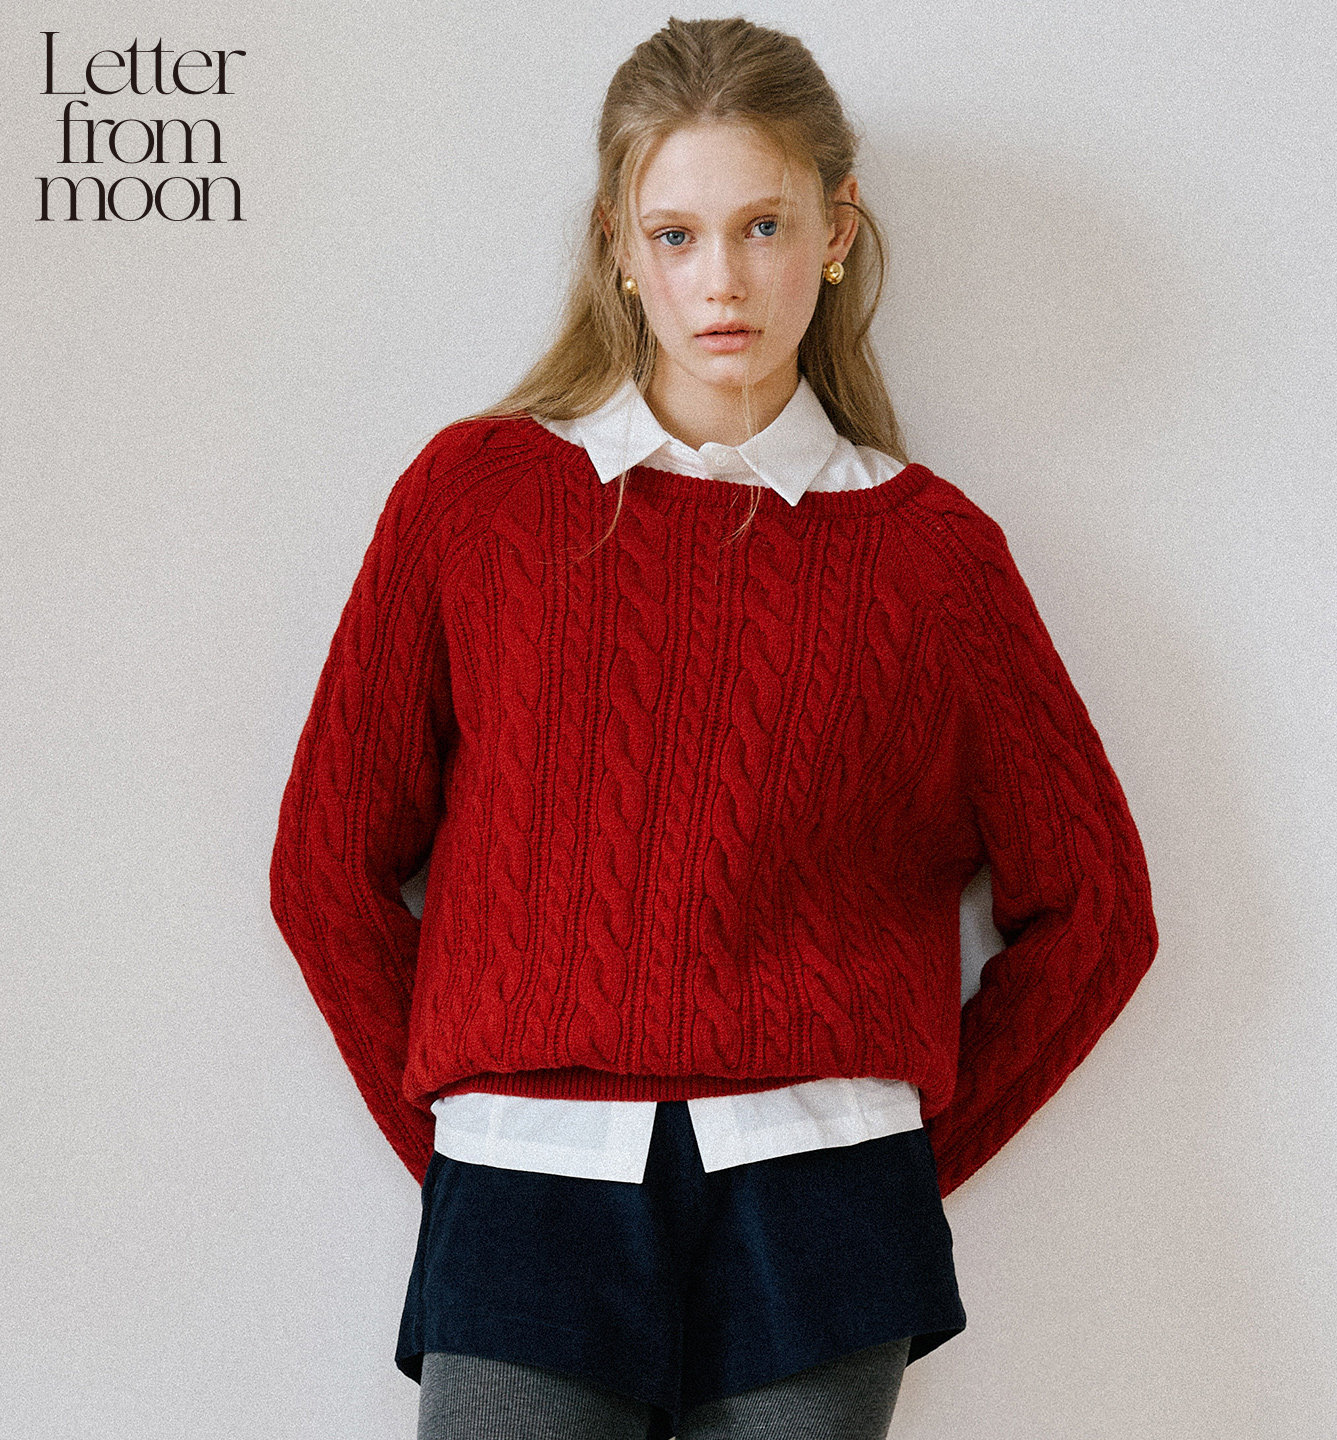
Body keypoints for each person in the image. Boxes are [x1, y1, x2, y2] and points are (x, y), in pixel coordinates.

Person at [268, 15, 1159, 1440]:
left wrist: (900, 1157)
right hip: (523, 1179)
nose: (721, 281)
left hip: (824, 1190)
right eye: (674, 234)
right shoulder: (475, 501)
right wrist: (457, 1135)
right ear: (617, 248)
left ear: (836, 231)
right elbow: (326, 862)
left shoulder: (932, 559)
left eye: (762, 225)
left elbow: (1098, 908)